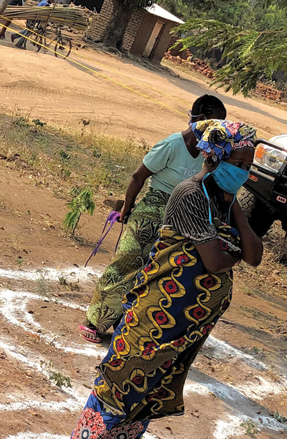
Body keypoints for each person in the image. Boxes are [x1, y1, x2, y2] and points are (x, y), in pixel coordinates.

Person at [52, 120, 263, 439]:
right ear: (214, 159)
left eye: (248, 166)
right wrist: (229, 248)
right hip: (153, 319)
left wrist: (234, 213)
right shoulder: (189, 195)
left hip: (186, 326)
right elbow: (218, 260)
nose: (244, 173)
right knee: (117, 391)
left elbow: (254, 253)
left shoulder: (223, 200)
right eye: (238, 163)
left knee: (152, 395)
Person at [79, 95, 227, 342]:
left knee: (155, 273)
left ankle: (124, 323)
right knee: (126, 263)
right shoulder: (172, 145)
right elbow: (139, 176)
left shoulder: (209, 154)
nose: (221, 129)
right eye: (217, 123)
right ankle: (95, 321)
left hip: (181, 217)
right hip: (152, 212)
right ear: (200, 120)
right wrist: (127, 207)